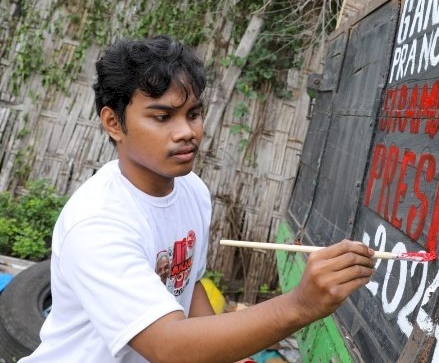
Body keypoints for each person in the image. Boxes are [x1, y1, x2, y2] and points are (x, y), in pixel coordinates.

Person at [21, 36, 375, 362]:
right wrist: (300, 305)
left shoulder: (192, 190)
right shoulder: (98, 223)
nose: (187, 132)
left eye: (193, 114)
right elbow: (168, 345)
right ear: (114, 123)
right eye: (162, 117)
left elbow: (187, 289)